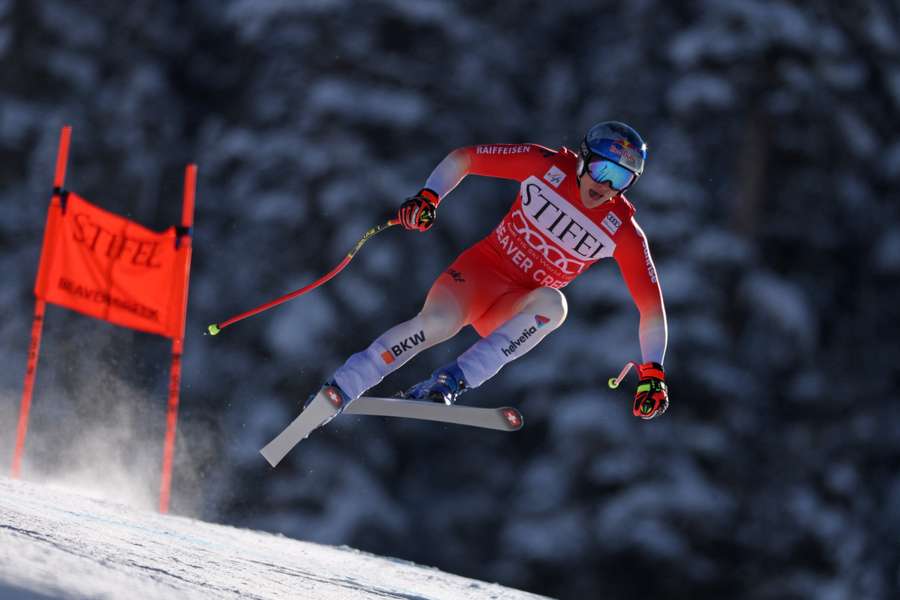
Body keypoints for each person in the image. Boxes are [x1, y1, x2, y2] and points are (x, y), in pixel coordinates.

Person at [314, 121, 668, 420]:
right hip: (477, 277)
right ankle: (344, 385)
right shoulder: (545, 165)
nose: (605, 186)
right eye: (602, 170)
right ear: (583, 159)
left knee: (554, 305)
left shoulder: (622, 230)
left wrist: (653, 372)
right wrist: (429, 197)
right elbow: (465, 158)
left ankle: (451, 381)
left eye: (621, 178)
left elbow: (651, 307)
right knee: (436, 324)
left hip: (513, 307)